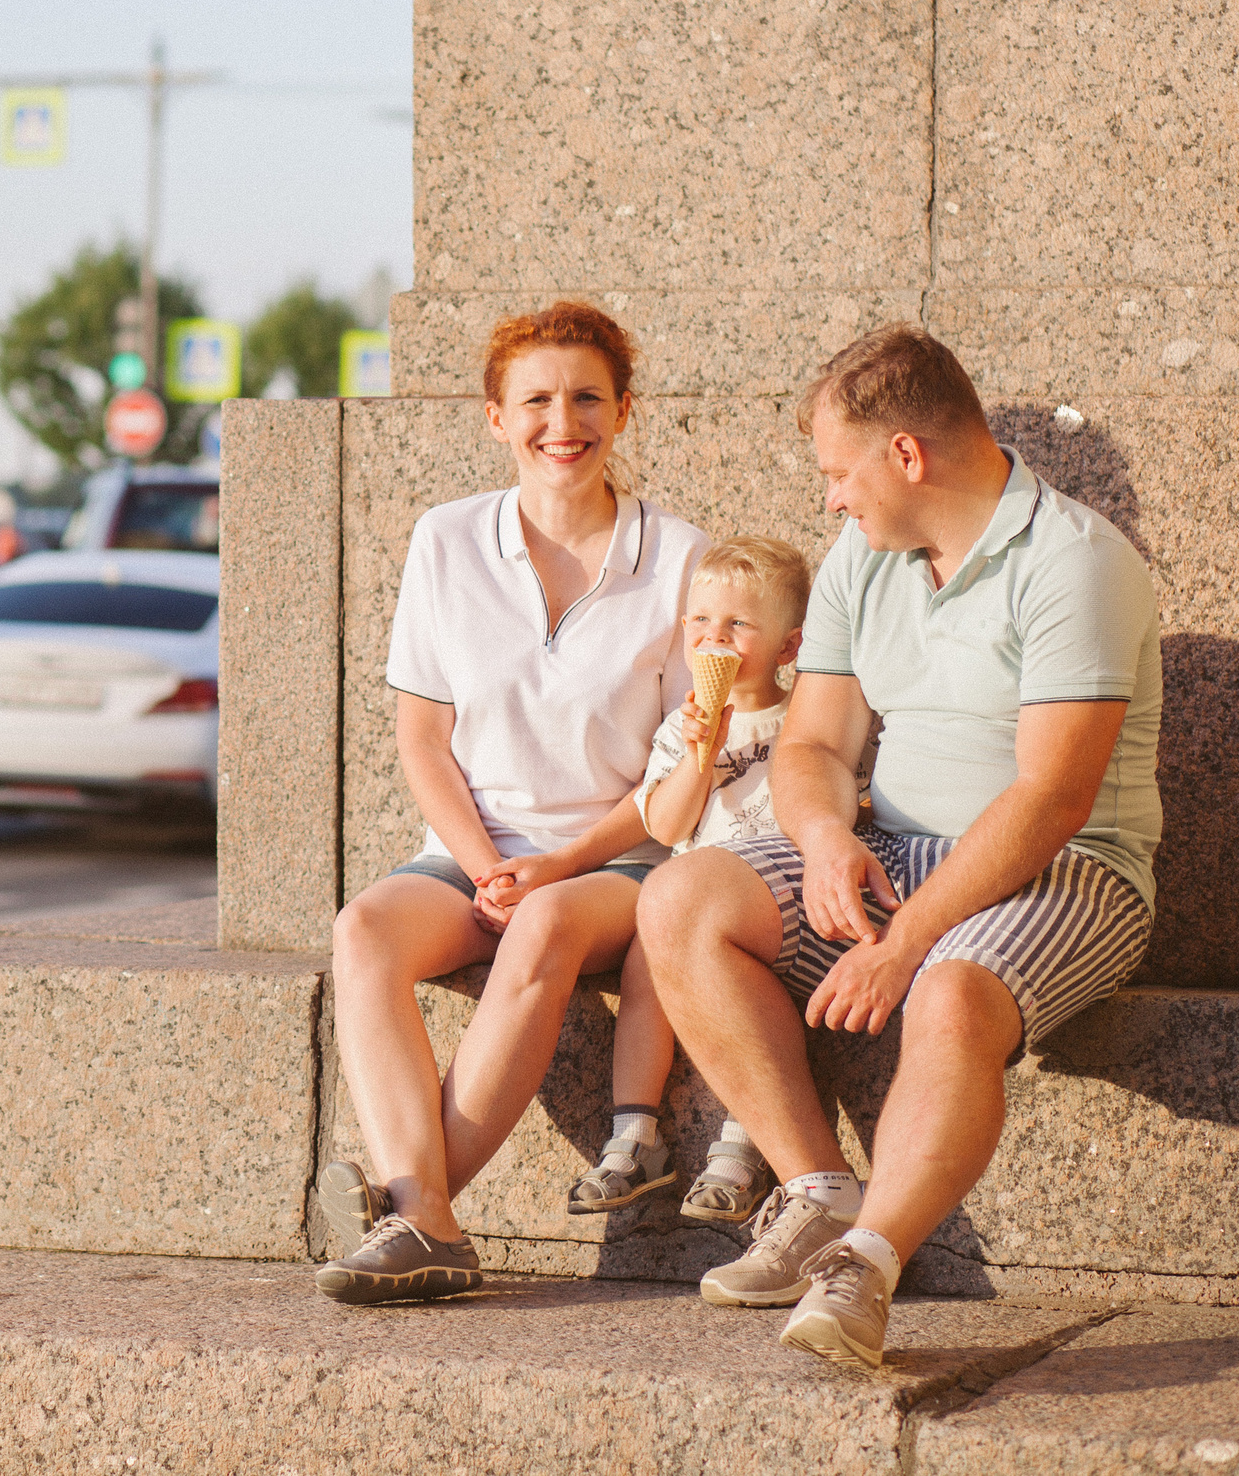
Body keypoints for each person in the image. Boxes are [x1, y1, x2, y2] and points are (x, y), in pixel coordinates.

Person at [636, 325, 1160, 1368]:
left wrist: (904, 941)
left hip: (1068, 870)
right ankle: (820, 1190)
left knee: (950, 991)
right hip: (892, 850)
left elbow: (1052, 797)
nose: (831, 498)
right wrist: (825, 837)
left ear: (905, 457)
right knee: (680, 900)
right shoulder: (859, 560)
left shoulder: (1075, 562)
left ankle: (865, 1267)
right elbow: (817, 741)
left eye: (839, 472)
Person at [314, 300, 708, 1306]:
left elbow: (676, 779)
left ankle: (412, 1213)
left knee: (539, 927)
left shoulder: (679, 559)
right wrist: (484, 860)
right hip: (471, 847)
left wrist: (555, 868)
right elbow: (420, 739)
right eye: (534, 400)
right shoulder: (445, 540)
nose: (560, 420)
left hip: (623, 859)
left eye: (586, 396)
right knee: (362, 931)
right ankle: (430, 1220)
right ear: (496, 418)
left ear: (624, 411)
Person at [571, 536, 874, 1224]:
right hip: (690, 892)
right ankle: (633, 1134)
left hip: (773, 902)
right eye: (702, 621)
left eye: (739, 625)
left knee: (754, 998)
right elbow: (668, 821)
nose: (716, 637)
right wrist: (701, 756)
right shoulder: (683, 727)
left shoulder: (809, 718)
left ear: (789, 647)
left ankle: (741, 1144)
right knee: (649, 964)